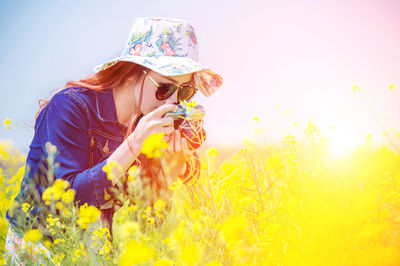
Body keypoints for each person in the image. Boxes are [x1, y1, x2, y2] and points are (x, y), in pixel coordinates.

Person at [5, 17, 223, 262]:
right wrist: (133, 145)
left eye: (184, 92)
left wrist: (165, 177)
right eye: (165, 87)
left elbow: (142, 226)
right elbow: (71, 198)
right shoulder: (70, 107)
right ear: (131, 75)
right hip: (38, 245)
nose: (172, 102)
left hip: (89, 251)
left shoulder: (147, 124)